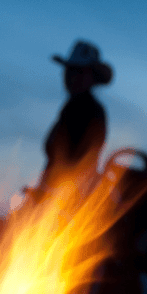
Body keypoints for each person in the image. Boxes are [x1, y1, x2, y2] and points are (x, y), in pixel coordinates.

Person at [39, 40, 113, 191]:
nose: (72, 76)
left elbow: (86, 157)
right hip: (54, 194)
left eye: (79, 71)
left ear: (92, 77)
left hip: (67, 196)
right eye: (70, 70)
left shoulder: (90, 110)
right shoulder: (70, 108)